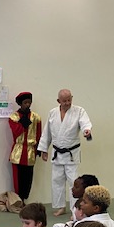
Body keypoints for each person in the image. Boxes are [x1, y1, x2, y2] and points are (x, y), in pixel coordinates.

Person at [38, 89, 92, 217]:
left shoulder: (79, 111)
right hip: (57, 153)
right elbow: (47, 132)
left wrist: (86, 130)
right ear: (58, 101)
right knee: (56, 181)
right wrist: (44, 149)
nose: (67, 103)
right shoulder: (52, 113)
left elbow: (85, 122)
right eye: (64, 101)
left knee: (74, 183)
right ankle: (60, 207)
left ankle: (75, 209)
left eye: (69, 100)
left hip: (72, 153)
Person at [8, 92, 42, 204]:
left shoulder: (36, 117)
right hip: (18, 151)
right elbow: (16, 132)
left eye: (29, 102)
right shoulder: (14, 117)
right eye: (25, 102)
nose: (27, 105)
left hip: (30, 152)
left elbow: (39, 134)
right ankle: (19, 199)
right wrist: (23, 123)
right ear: (20, 103)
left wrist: (39, 148)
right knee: (18, 178)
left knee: (28, 178)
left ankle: (25, 199)